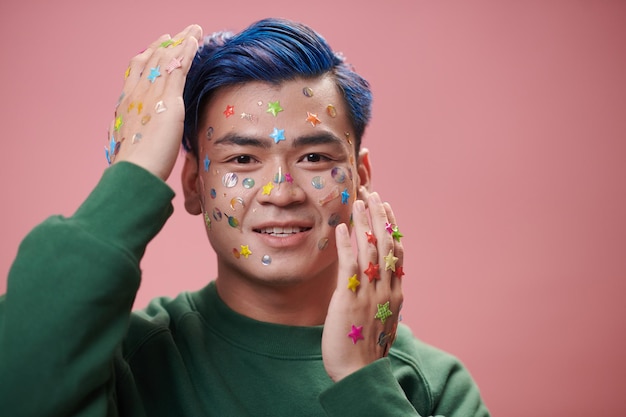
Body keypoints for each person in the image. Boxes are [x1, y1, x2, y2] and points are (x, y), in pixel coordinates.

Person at [0, 18, 490, 416]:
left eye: (315, 158)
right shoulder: (124, 361)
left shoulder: (433, 387)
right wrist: (136, 169)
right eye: (241, 160)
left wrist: (364, 383)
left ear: (360, 177)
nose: (281, 192)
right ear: (192, 183)